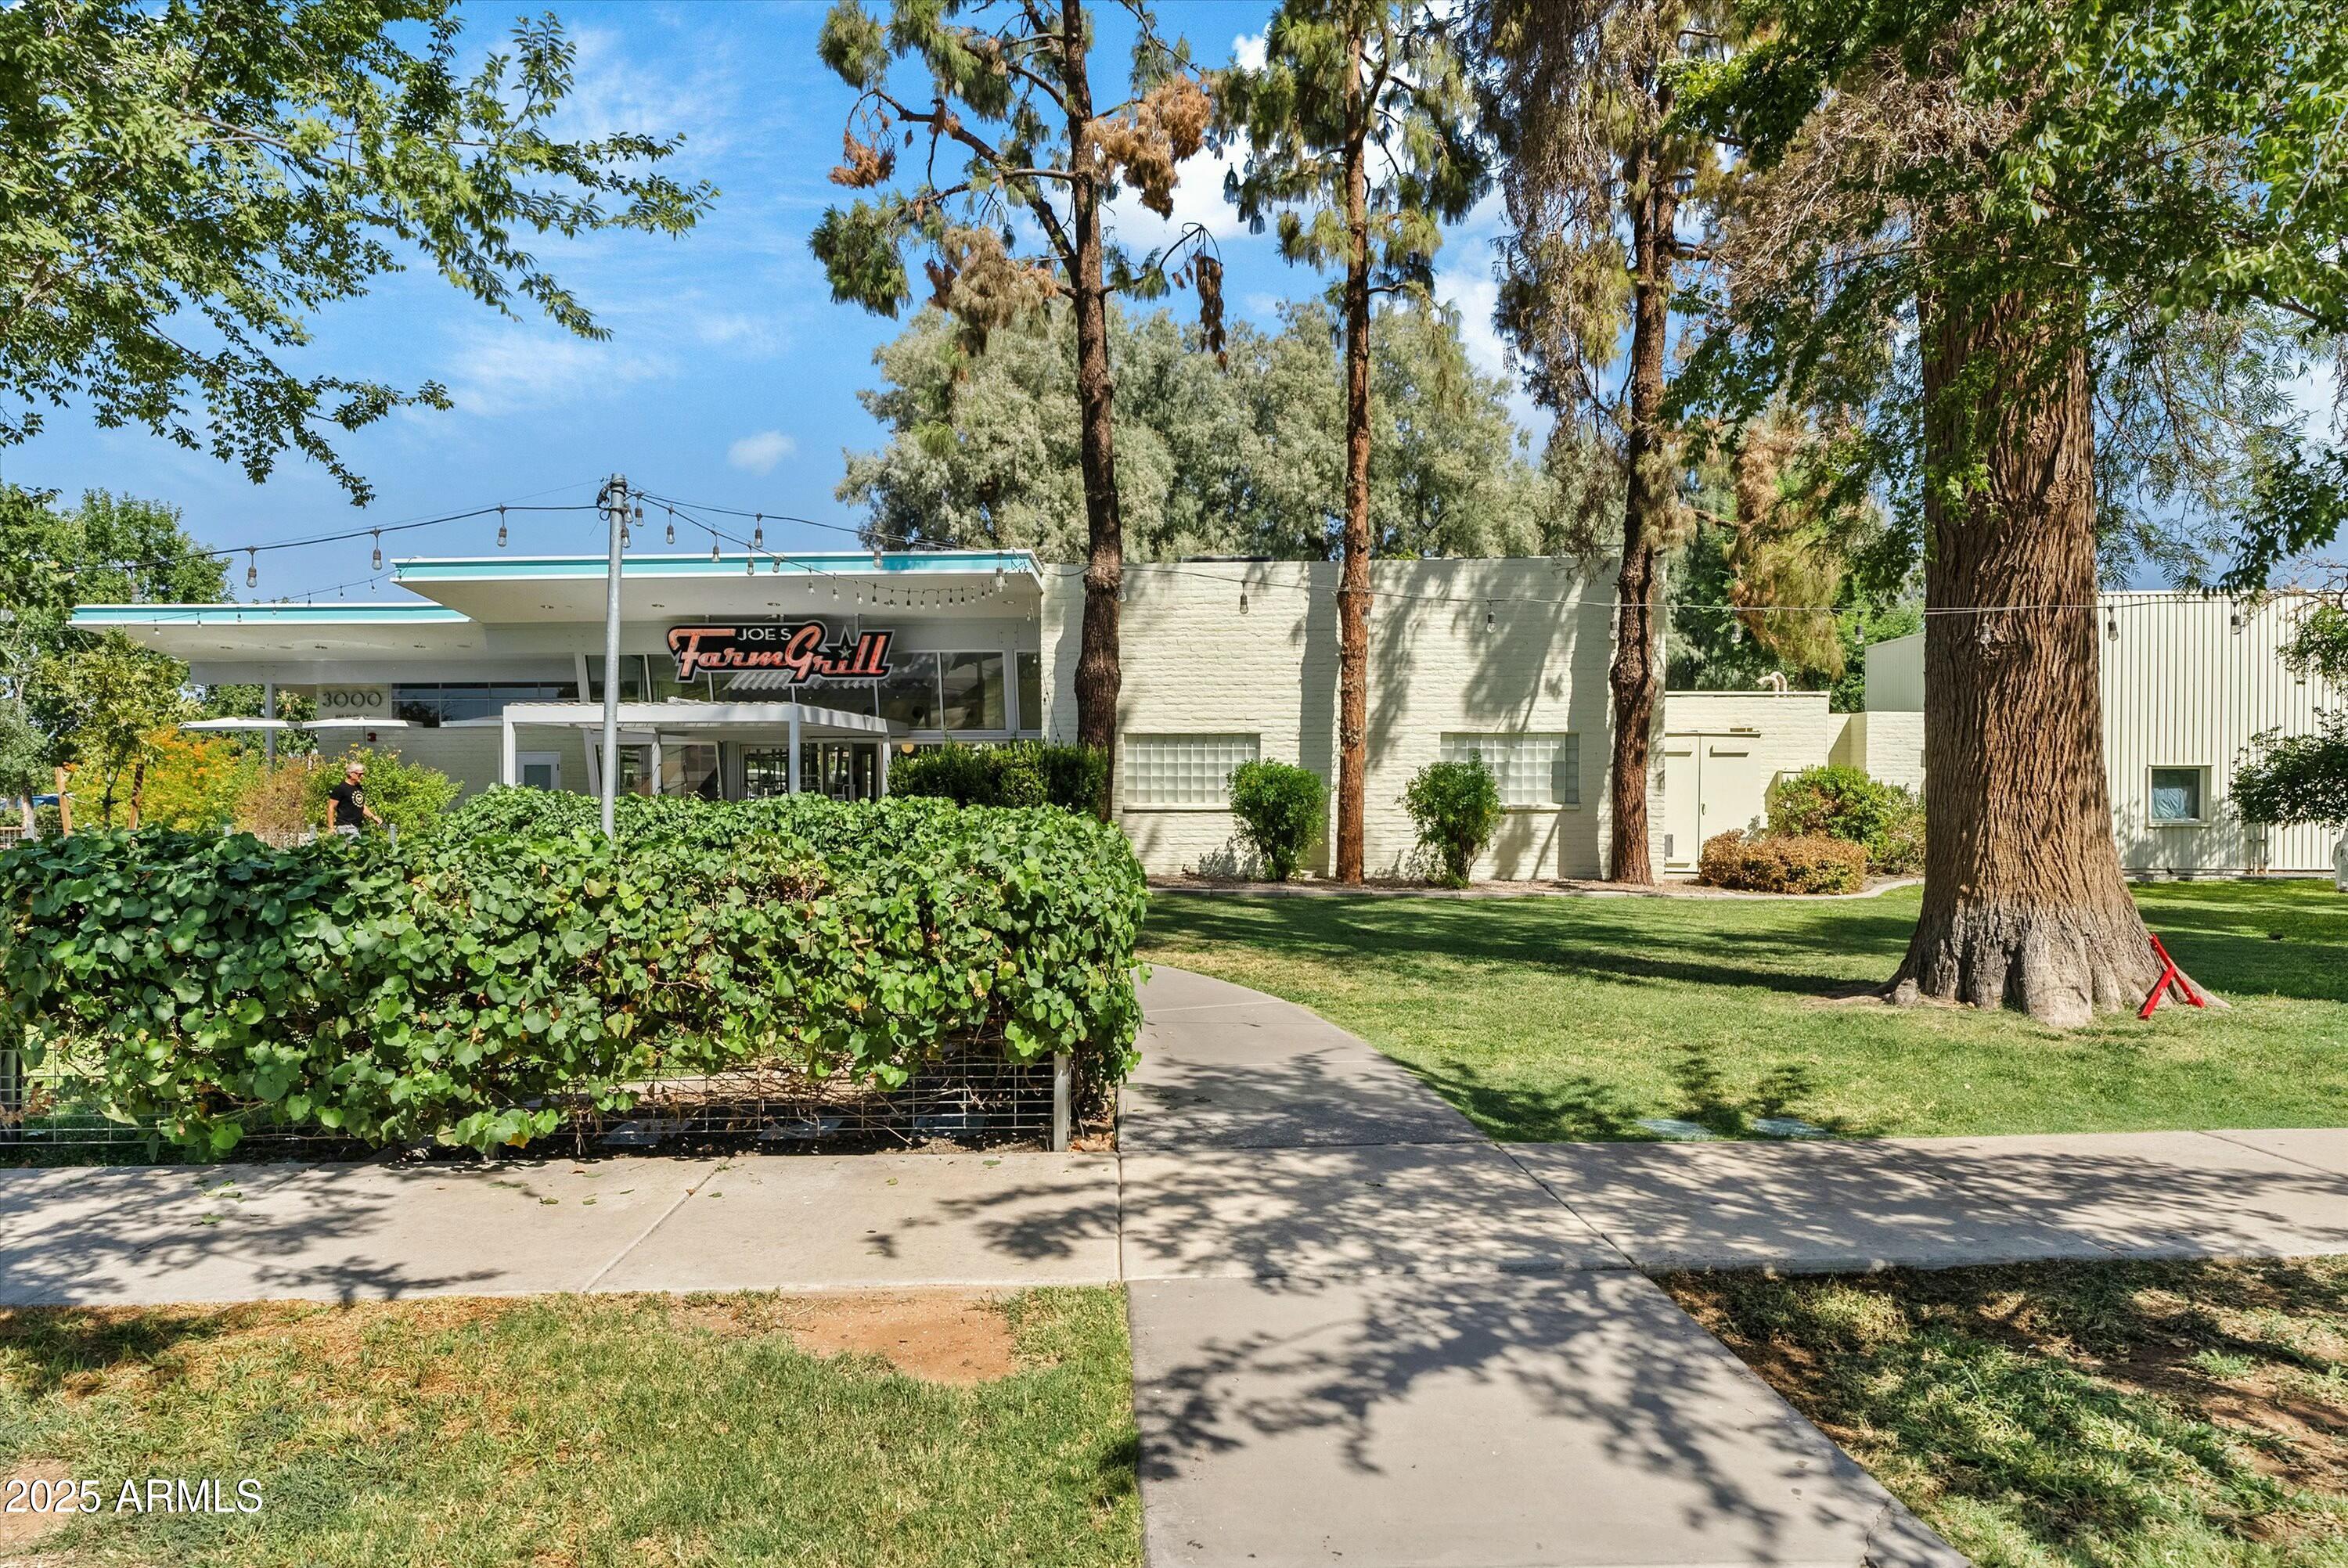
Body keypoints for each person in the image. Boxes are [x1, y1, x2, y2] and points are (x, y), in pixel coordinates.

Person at [326, 761, 382, 838]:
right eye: (360, 774)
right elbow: (331, 807)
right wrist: (331, 828)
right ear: (351, 774)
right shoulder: (341, 788)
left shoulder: (359, 788)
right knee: (356, 848)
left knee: (354, 849)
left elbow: (361, 806)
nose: (362, 776)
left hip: (356, 826)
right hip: (345, 826)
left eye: (363, 774)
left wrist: (373, 817)